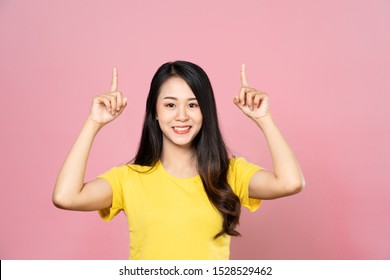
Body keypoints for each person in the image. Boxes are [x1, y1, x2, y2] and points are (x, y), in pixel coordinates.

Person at [53, 61, 305, 260]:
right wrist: (94, 122)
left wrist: (264, 118)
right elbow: (66, 197)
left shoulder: (230, 173)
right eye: (170, 105)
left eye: (193, 105)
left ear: (206, 112)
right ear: (155, 112)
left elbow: (290, 182)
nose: (182, 116)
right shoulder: (128, 178)